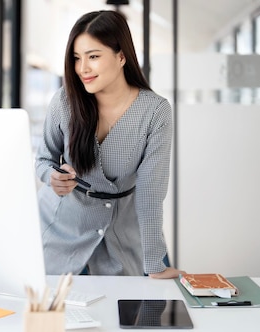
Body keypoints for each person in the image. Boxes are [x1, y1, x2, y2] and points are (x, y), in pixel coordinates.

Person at [34, 10, 184, 279]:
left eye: (93, 57)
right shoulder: (64, 101)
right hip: (59, 230)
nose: (83, 69)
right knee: (54, 315)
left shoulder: (155, 112)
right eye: (77, 58)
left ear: (121, 56)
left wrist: (154, 263)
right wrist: (52, 177)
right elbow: (43, 160)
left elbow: (151, 193)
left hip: (122, 235)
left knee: (128, 316)